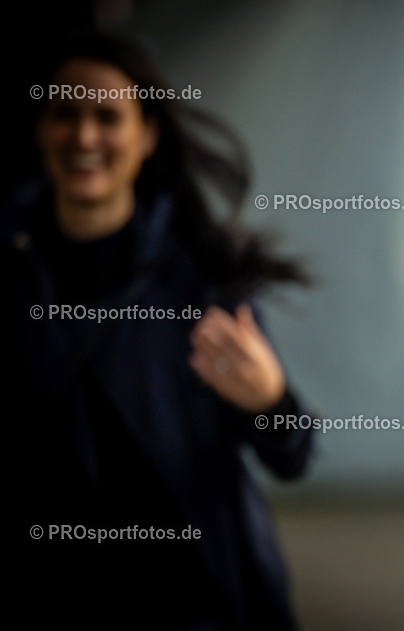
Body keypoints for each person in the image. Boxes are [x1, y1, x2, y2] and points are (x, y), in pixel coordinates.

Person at [5, 32, 314, 630]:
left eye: (107, 115)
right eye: (65, 113)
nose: (85, 136)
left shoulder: (204, 283)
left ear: (146, 135)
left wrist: (271, 401)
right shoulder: (11, 271)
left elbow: (293, 455)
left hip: (191, 604)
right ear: (41, 129)